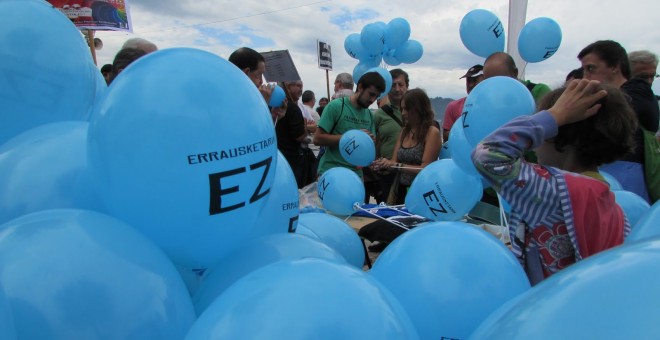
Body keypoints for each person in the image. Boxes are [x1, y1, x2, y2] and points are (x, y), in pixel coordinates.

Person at [472, 79, 636, 285]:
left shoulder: (552, 190)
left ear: (557, 136)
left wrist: (554, 115)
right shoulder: (614, 208)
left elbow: (486, 155)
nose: (534, 146)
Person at [578, 40, 659, 202]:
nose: (585, 76)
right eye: (584, 70)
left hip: (627, 177)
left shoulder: (636, 92)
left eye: (591, 68)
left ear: (615, 66)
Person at [371, 88, 442, 205]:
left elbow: (425, 168)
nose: (403, 113)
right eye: (402, 109)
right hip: (401, 189)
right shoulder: (404, 132)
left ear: (419, 108)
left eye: (407, 109)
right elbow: (394, 162)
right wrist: (383, 164)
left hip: (422, 191)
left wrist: (397, 165)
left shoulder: (432, 132)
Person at [314, 72, 385, 180]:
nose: (373, 100)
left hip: (356, 176)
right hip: (332, 172)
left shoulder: (369, 115)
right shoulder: (336, 106)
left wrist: (370, 143)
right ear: (360, 87)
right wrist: (352, 137)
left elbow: (368, 148)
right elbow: (317, 139)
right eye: (371, 94)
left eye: (376, 96)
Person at [368, 68, 409, 203]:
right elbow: (372, 143)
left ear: (407, 86)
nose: (397, 89)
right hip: (386, 174)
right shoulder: (379, 115)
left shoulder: (416, 112)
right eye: (393, 85)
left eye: (401, 84)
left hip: (410, 172)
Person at [229, 47, 285, 122]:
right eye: (259, 74)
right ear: (246, 72)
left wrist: (273, 117)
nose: (261, 81)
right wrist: (261, 104)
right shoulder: (230, 101)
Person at [276, 80, 315, 188]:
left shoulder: (273, 105)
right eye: (297, 85)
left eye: (301, 86)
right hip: (293, 160)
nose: (300, 89)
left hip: (280, 158)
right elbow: (300, 136)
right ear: (288, 86)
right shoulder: (292, 108)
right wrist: (305, 128)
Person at [483, 52, 551, 102]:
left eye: (501, 80)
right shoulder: (489, 100)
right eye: (489, 82)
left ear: (515, 73)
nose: (496, 86)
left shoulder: (539, 92)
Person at [442, 64, 484, 141]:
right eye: (468, 81)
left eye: (474, 80)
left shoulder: (494, 106)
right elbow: (445, 136)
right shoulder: (453, 106)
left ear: (485, 80)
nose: (470, 85)